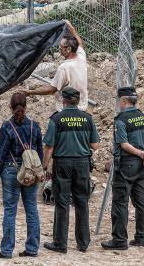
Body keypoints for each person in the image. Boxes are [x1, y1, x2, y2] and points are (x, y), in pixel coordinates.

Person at [42, 87, 99, 254]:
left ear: (63, 100)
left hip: (62, 164)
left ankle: (60, 243)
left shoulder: (56, 119)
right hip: (82, 164)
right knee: (82, 202)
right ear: (78, 100)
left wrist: (44, 166)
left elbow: (49, 146)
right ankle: (83, 243)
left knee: (62, 202)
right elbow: (95, 145)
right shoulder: (88, 119)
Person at [101, 87, 144, 250]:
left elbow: (124, 144)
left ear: (123, 100)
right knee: (140, 202)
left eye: (119, 100)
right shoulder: (142, 117)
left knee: (120, 202)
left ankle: (119, 240)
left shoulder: (121, 120)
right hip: (141, 165)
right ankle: (140, 238)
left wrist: (140, 153)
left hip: (126, 164)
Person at [0, 92, 43, 259]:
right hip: (30, 171)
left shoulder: (7, 127)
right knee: (32, 210)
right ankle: (32, 248)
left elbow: (1, 152)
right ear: (26, 107)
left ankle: (7, 250)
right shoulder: (34, 126)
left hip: (10, 170)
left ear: (10, 107)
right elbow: (39, 154)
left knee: (9, 211)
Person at [24, 20, 88, 111]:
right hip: (82, 108)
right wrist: (71, 28)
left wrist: (30, 92)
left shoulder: (63, 68)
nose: (59, 48)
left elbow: (51, 90)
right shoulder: (81, 57)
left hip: (66, 112)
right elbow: (80, 43)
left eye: (61, 46)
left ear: (69, 49)